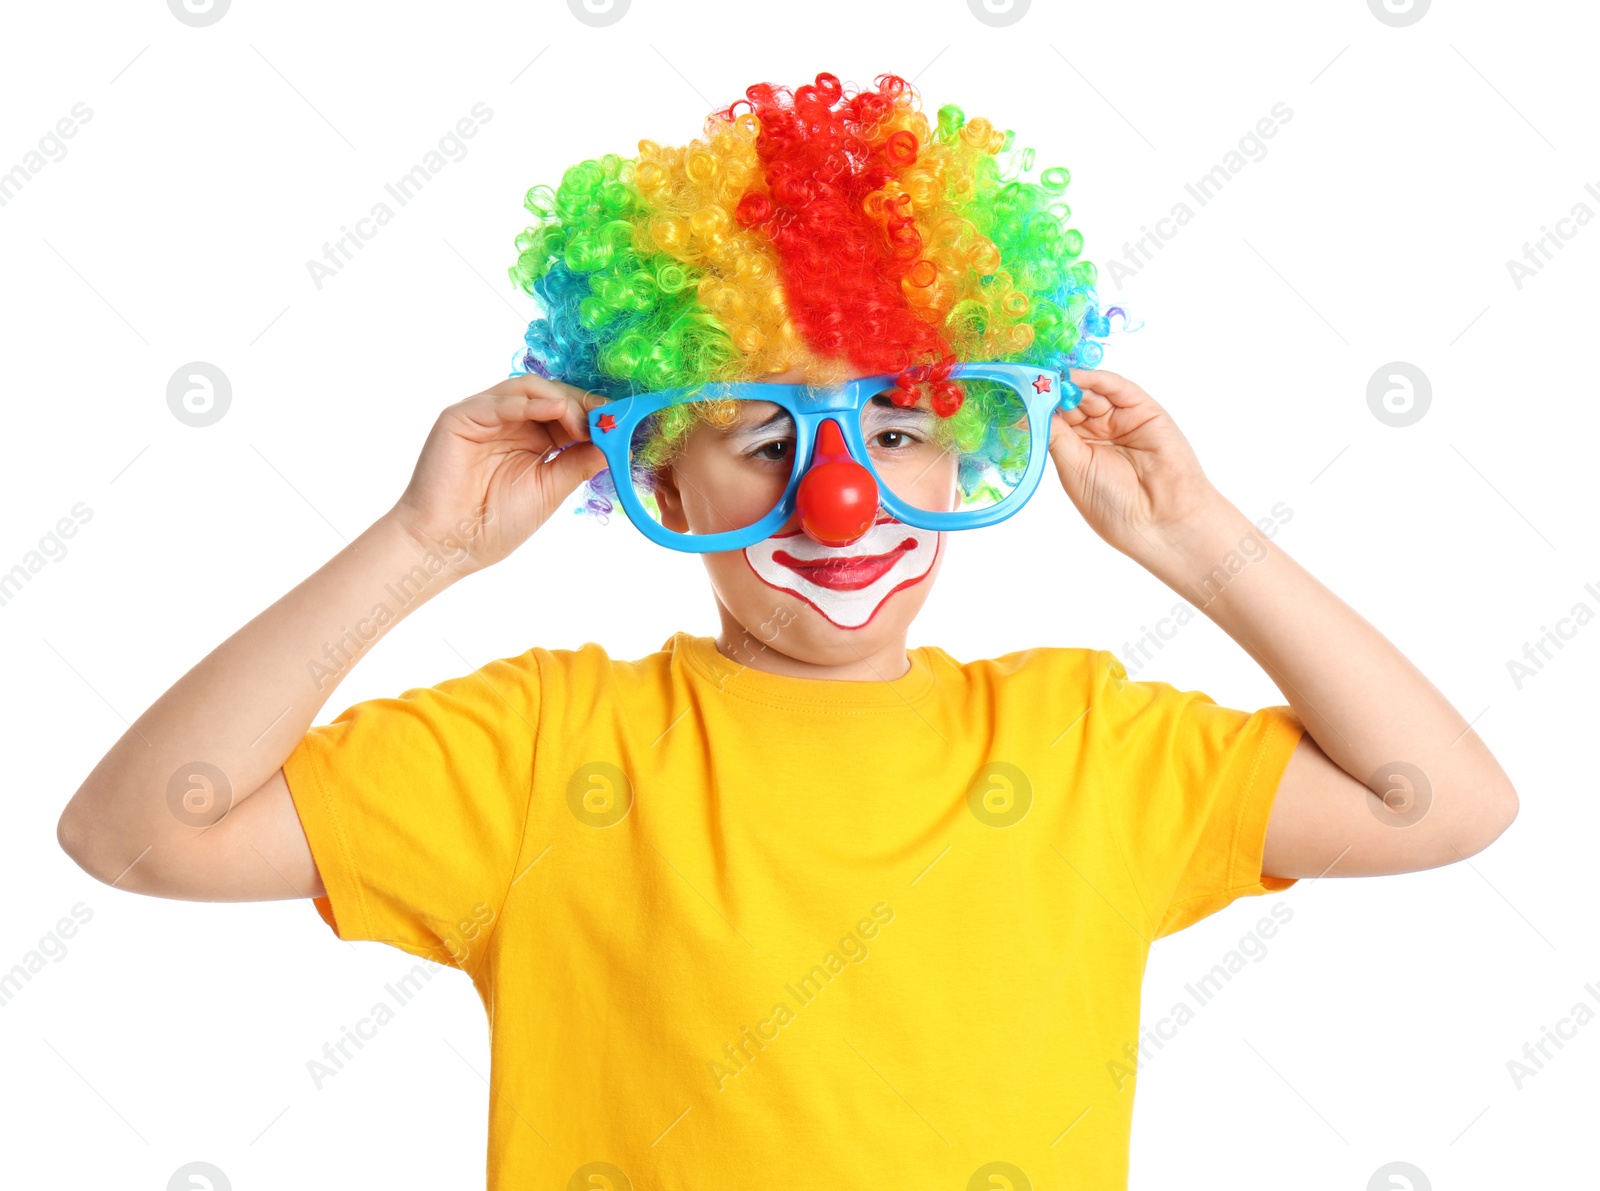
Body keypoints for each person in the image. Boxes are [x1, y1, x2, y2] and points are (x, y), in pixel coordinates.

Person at [56, 71, 1518, 1190]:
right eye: (762, 438)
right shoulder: (545, 747)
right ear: (654, 471)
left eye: (897, 428)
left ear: (969, 456)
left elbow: (1442, 803)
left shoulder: (1087, 744)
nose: (839, 498)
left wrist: (1196, 540)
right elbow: (139, 834)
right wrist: (419, 547)